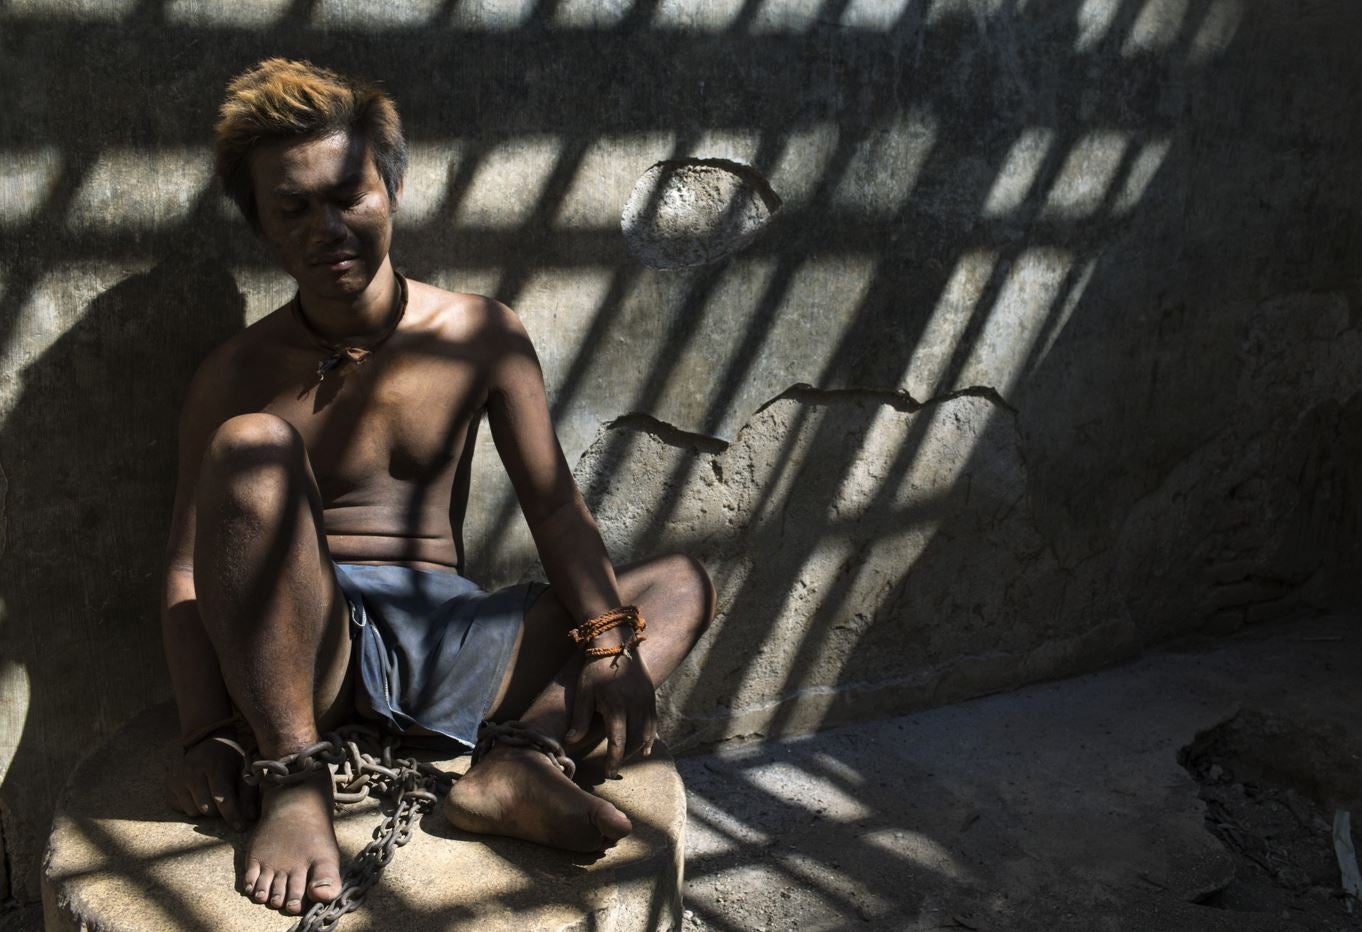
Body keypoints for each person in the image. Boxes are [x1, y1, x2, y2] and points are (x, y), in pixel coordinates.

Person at [160, 58, 715, 918]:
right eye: (293, 209)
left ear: (392, 187)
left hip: (457, 637)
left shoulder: (480, 334)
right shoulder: (235, 375)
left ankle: (518, 762)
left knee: (678, 585)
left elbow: (555, 508)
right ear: (263, 226)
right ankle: (299, 780)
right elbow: (191, 572)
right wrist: (207, 730)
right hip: (319, 654)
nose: (327, 227)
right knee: (253, 446)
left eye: (349, 194)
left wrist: (609, 647)